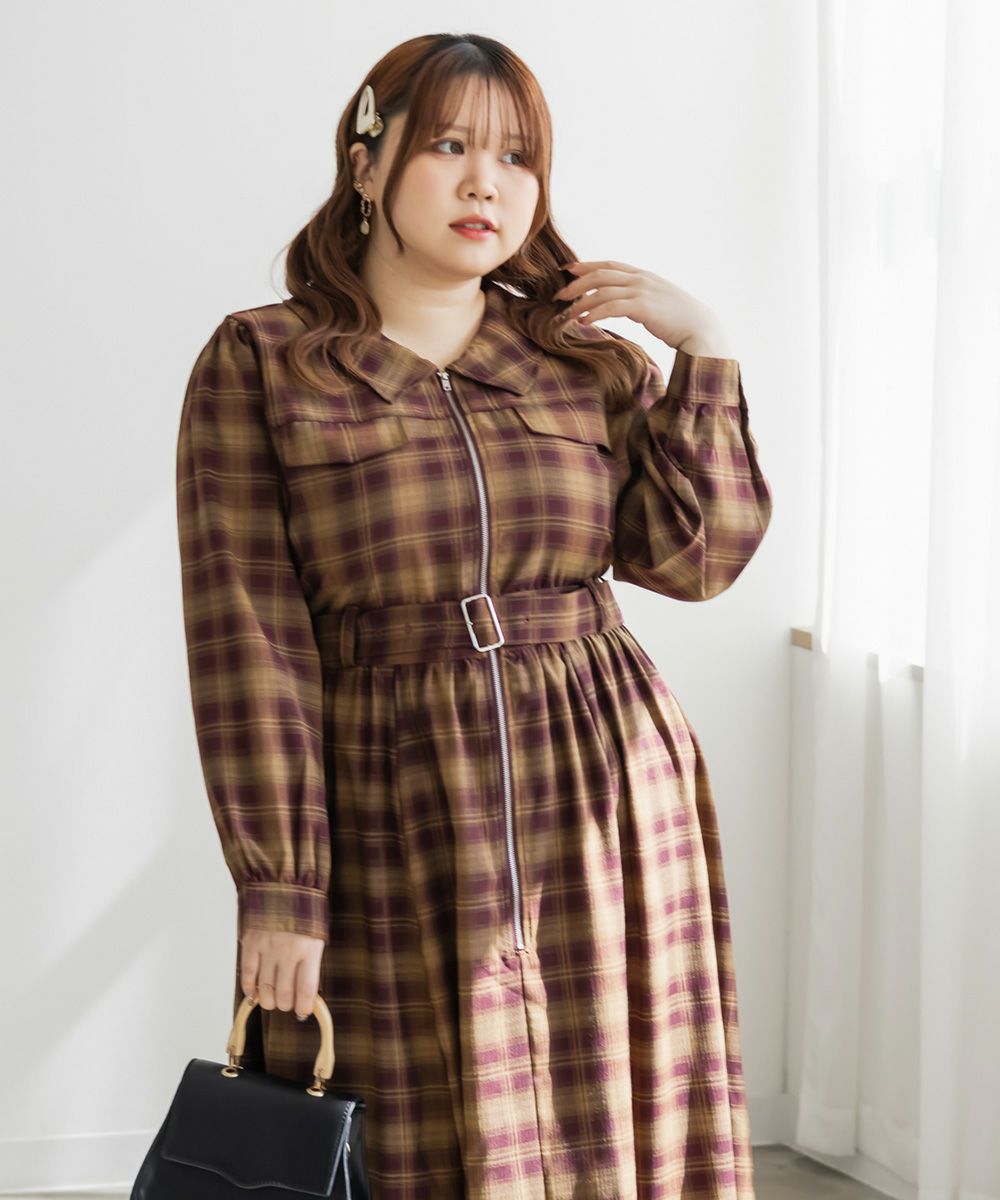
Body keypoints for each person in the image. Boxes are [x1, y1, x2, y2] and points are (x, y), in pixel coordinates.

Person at [176, 31, 773, 1200]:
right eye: (448, 146)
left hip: (604, 790)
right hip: (391, 801)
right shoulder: (267, 362)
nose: (484, 184)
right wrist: (281, 885)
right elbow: (247, 638)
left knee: (615, 1125)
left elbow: (698, 559)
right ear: (366, 163)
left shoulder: (581, 362)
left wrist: (706, 351)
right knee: (408, 1140)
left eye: (516, 157)